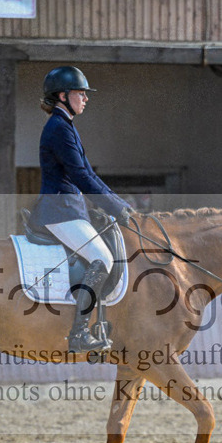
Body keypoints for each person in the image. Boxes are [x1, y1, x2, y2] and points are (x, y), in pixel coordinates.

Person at [27, 66, 133, 354]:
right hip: (59, 210)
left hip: (70, 207)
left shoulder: (66, 125)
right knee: (101, 257)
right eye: (80, 93)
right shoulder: (58, 128)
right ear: (62, 95)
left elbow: (88, 174)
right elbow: (81, 177)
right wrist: (115, 205)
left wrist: (117, 204)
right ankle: (78, 333)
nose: (86, 98)